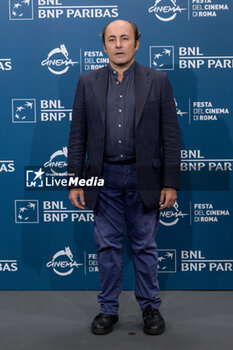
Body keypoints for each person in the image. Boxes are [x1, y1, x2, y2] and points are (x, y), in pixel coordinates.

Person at [68, 19, 180, 335]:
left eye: (125, 38)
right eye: (112, 39)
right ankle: (108, 310)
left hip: (145, 176)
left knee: (145, 246)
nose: (119, 44)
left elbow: (170, 135)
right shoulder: (87, 82)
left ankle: (149, 309)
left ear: (136, 43)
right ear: (104, 45)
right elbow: (78, 134)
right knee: (106, 247)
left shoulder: (158, 81)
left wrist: (170, 181)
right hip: (102, 178)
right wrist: (75, 179)